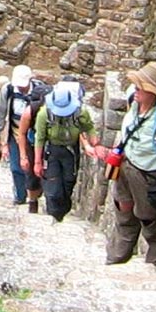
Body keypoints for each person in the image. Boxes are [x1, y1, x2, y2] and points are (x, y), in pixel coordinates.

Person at [98, 61, 156, 267]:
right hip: (125, 164)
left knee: (149, 216)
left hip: (150, 173)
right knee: (123, 208)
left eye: (142, 86)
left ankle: (154, 262)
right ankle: (116, 257)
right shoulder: (133, 99)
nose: (137, 89)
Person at [34, 80, 103, 222]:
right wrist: (37, 162)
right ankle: (53, 214)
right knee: (53, 189)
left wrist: (94, 141)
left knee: (68, 183)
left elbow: (88, 127)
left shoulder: (80, 113)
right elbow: (40, 138)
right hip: (52, 151)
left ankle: (62, 212)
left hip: (71, 152)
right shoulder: (44, 114)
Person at [0, 65, 44, 207]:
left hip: (35, 135)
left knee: (34, 166)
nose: (21, 88)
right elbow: (1, 114)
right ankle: (20, 196)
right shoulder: (8, 90)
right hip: (15, 133)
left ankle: (35, 193)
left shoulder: (40, 90)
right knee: (16, 167)